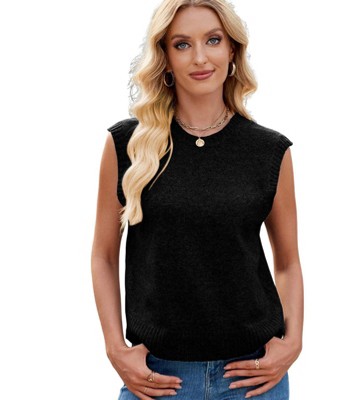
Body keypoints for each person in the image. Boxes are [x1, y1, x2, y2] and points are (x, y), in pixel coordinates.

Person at [91, 0, 304, 399]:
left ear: (232, 50)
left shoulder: (268, 151)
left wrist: (292, 343)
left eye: (213, 40)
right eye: (182, 44)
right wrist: (115, 348)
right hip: (156, 379)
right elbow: (103, 255)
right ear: (165, 58)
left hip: (253, 379)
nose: (200, 57)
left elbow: (288, 261)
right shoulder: (127, 145)